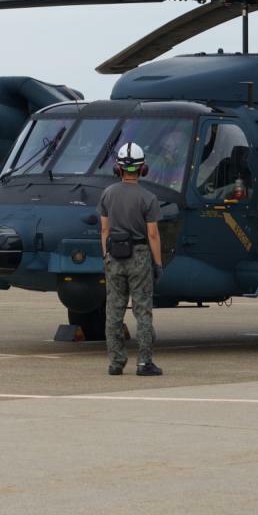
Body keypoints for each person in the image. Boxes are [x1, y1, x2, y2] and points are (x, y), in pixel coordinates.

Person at [98, 141, 164, 377]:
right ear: (142, 168)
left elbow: (104, 231)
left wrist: (106, 255)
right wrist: (157, 263)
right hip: (139, 256)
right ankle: (144, 363)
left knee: (113, 312)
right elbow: (153, 234)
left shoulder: (107, 194)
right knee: (142, 311)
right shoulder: (148, 198)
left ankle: (116, 363)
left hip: (114, 256)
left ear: (118, 168)